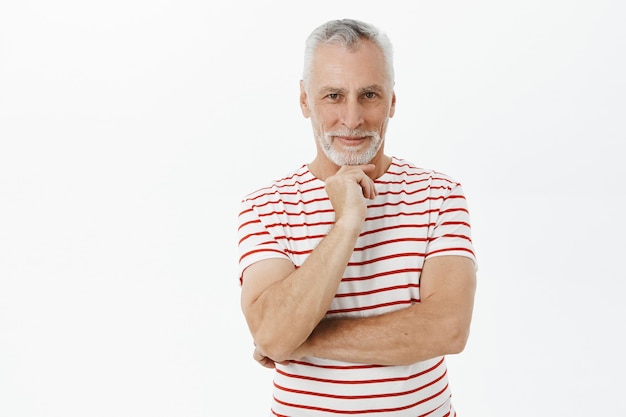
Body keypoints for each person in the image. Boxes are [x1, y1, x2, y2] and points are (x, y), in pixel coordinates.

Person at [237, 18, 477, 417]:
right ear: (304, 100)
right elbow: (272, 331)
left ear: (393, 101)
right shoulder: (266, 205)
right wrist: (346, 223)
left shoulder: (440, 195)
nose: (351, 119)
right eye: (333, 95)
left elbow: (448, 328)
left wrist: (305, 340)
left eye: (369, 95)